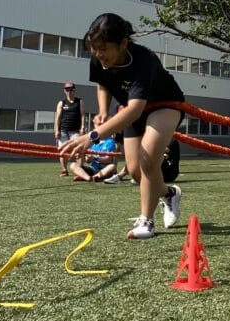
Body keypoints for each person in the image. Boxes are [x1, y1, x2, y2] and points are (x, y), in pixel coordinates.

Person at [60, 14, 184, 239]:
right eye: (94, 49)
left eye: (104, 49)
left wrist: (92, 136)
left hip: (164, 104)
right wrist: (104, 111)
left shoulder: (143, 59)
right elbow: (103, 84)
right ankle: (169, 193)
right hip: (132, 108)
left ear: (123, 44)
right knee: (136, 171)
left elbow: (136, 110)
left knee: (148, 160)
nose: (98, 55)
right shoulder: (98, 58)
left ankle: (146, 221)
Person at [54, 81, 85, 177]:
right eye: (67, 90)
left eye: (71, 90)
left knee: (78, 150)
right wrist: (56, 130)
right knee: (62, 151)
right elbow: (58, 117)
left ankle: (79, 172)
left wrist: (82, 127)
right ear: (64, 91)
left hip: (75, 131)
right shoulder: (61, 103)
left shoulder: (79, 102)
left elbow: (83, 115)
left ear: (74, 90)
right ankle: (64, 170)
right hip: (63, 131)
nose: (69, 92)